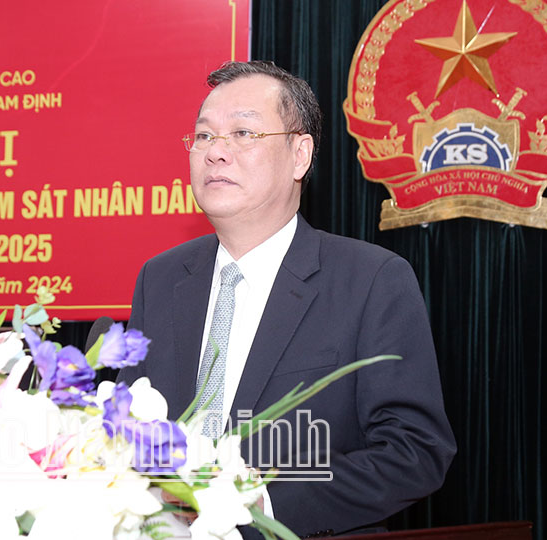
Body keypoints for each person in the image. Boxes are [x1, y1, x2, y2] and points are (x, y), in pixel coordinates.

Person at [117, 61, 456, 537]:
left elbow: (415, 451)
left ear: (300, 155)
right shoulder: (161, 277)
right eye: (205, 136)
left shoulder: (371, 280)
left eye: (243, 133)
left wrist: (264, 504)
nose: (216, 152)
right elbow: (126, 430)